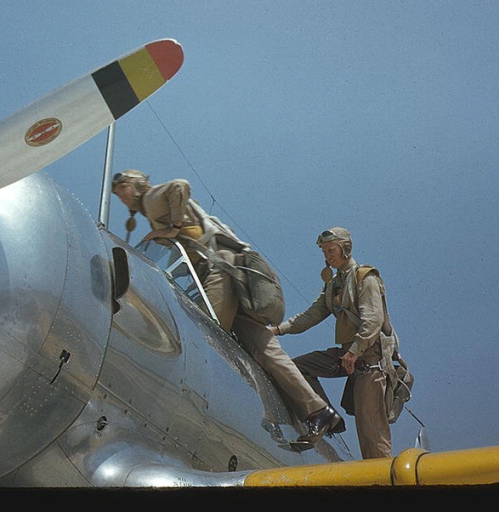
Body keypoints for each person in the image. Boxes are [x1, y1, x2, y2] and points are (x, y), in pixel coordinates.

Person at [111, 170, 341, 449]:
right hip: (232, 277)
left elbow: (180, 187)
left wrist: (168, 229)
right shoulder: (150, 207)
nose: (121, 196)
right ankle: (318, 411)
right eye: (118, 192)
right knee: (265, 349)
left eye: (122, 188)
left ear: (134, 185)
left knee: (204, 339)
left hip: (219, 274)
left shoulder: (150, 199)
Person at [271, 227, 395, 459]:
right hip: (347, 356)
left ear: (346, 249)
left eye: (332, 250)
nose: (328, 256)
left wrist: (355, 351)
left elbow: (373, 320)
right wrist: (277, 329)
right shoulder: (333, 286)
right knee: (297, 368)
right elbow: (310, 315)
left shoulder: (365, 278)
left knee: (372, 438)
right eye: (325, 252)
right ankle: (325, 415)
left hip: (368, 362)